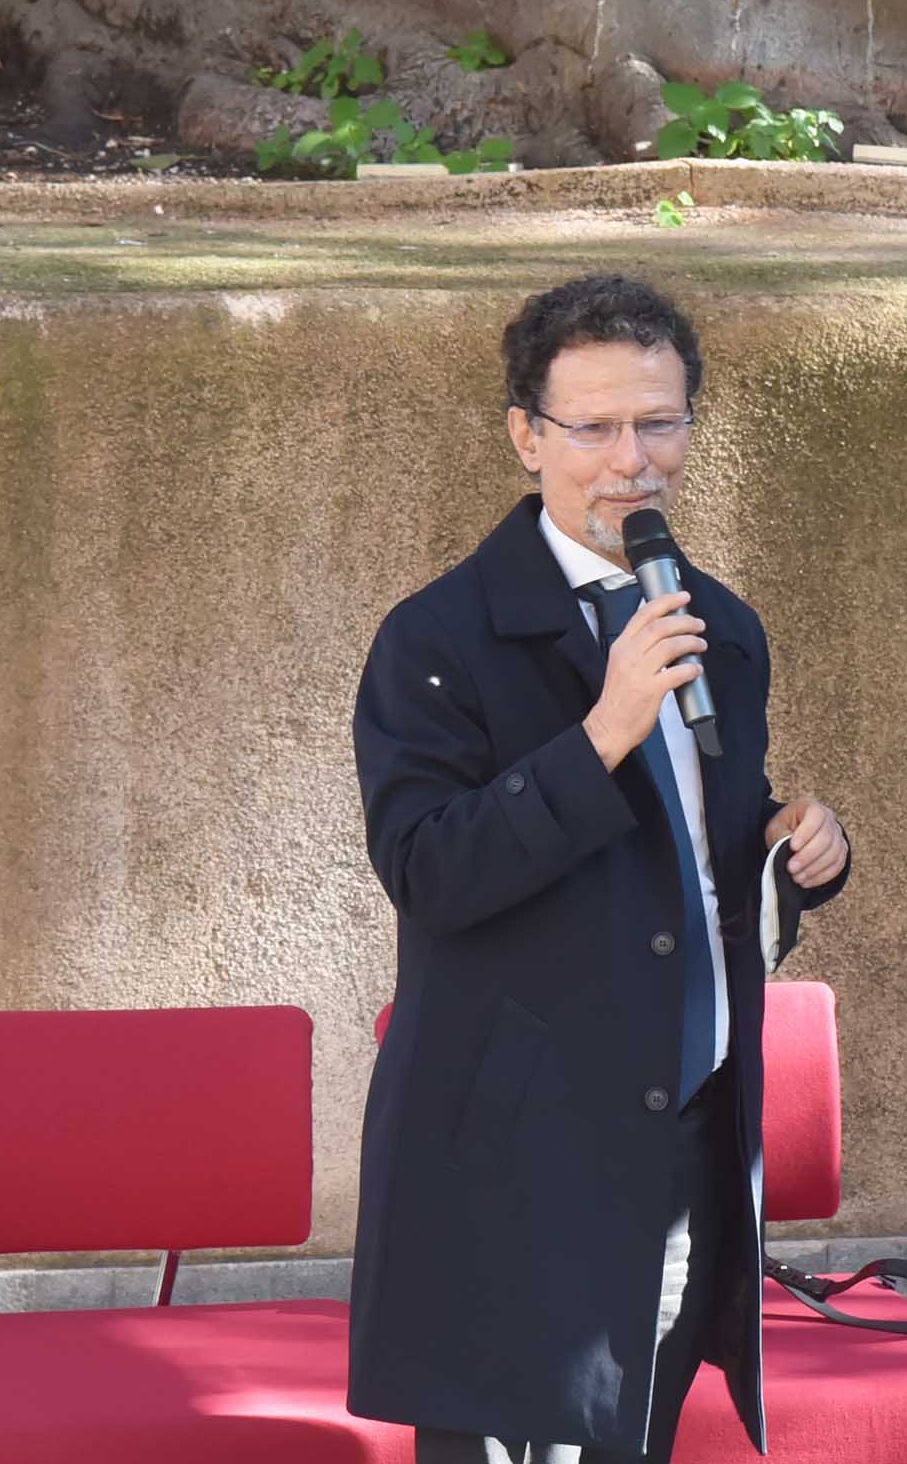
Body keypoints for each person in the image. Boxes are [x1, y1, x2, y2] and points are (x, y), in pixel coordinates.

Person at [347, 274, 851, 1463]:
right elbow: (429, 871)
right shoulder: (435, 638)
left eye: (658, 422)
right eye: (594, 428)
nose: (633, 461)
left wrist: (792, 852)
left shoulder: (719, 626)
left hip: (678, 1148)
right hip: (512, 1164)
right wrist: (600, 734)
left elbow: (698, 865)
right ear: (526, 437)